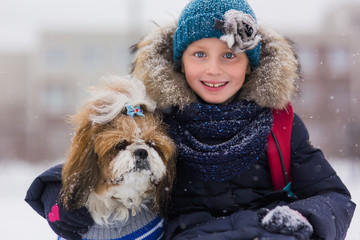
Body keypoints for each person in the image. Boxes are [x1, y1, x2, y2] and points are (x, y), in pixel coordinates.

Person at [25, 0, 355, 239]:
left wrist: (301, 216)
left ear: (250, 65)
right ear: (180, 62)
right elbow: (86, 158)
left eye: (230, 55)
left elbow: (333, 197)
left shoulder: (279, 126)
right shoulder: (159, 118)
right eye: (199, 54)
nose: (214, 69)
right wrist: (59, 200)